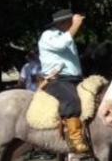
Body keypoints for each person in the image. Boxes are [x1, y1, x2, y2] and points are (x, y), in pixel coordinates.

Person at [38, 9, 89, 153]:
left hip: (74, 78)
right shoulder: (48, 36)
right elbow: (61, 45)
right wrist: (76, 25)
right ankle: (75, 139)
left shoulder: (66, 36)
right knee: (72, 100)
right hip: (57, 80)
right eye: (71, 21)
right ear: (64, 22)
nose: (75, 24)